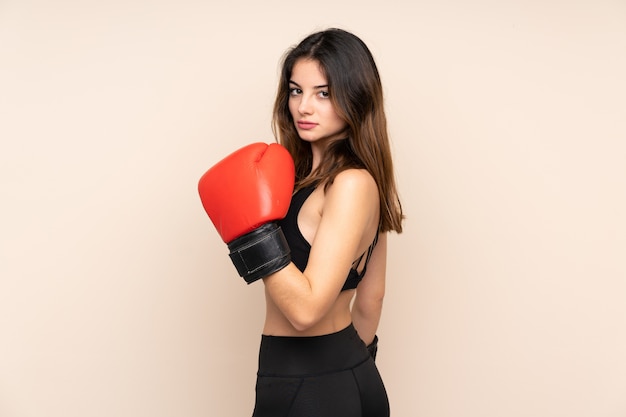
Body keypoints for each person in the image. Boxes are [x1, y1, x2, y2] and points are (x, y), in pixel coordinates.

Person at [198, 28, 403, 417]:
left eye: (323, 93)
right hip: (331, 378)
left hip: (309, 383)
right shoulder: (307, 180)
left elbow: (305, 311)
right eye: (296, 91)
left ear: (356, 95)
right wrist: (345, 372)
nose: (304, 107)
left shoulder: (350, 183)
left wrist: (252, 235)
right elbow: (371, 298)